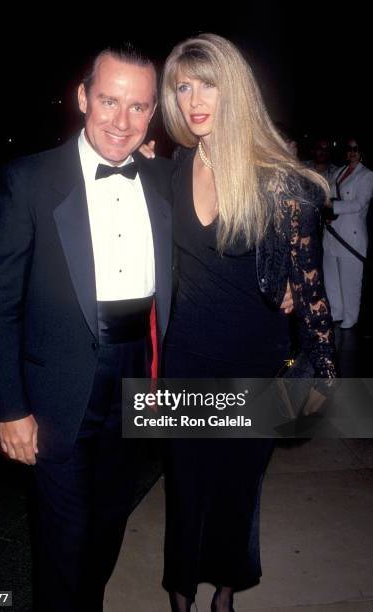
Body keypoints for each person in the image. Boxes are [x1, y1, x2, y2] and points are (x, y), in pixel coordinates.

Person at [0, 45, 173, 612]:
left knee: (110, 523)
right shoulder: (31, 178)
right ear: (83, 97)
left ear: (153, 111)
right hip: (58, 389)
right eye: (110, 100)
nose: (122, 120)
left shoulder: (164, 180)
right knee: (62, 540)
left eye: (138, 107)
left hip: (138, 379)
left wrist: (283, 275)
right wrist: (8, 408)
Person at [158, 33, 337, 612]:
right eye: (182, 86)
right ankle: (181, 597)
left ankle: (225, 595)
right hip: (185, 360)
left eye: (207, 83)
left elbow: (312, 297)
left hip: (252, 365)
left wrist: (322, 375)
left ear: (234, 89)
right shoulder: (176, 167)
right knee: (184, 489)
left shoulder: (279, 181)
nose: (193, 99)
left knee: (237, 490)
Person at [323, 136, 373, 329]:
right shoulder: (338, 171)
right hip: (332, 234)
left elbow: (359, 203)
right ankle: (337, 311)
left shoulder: (367, 175)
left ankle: (351, 316)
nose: (351, 152)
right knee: (332, 278)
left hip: (350, 238)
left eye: (356, 148)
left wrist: (332, 207)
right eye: (349, 148)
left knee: (350, 280)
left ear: (362, 152)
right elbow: (329, 193)